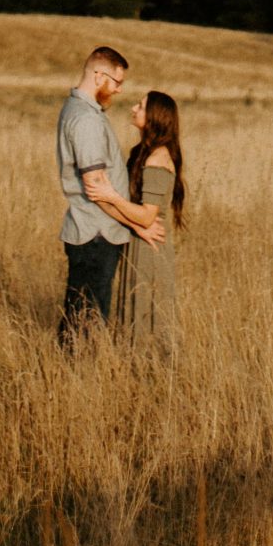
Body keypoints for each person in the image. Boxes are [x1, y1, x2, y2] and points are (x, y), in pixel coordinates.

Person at [54, 45, 165, 343]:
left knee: (81, 314)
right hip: (95, 234)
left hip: (94, 231)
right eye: (117, 82)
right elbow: (97, 191)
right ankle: (76, 380)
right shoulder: (87, 120)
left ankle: (70, 376)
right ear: (99, 75)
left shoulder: (82, 110)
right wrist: (138, 223)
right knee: (87, 321)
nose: (118, 90)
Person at [113, 89, 184, 351]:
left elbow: (147, 215)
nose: (133, 108)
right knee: (135, 305)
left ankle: (153, 373)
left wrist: (110, 197)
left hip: (150, 246)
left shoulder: (158, 159)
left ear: (155, 117)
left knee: (148, 309)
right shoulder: (144, 152)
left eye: (141, 106)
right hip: (139, 241)